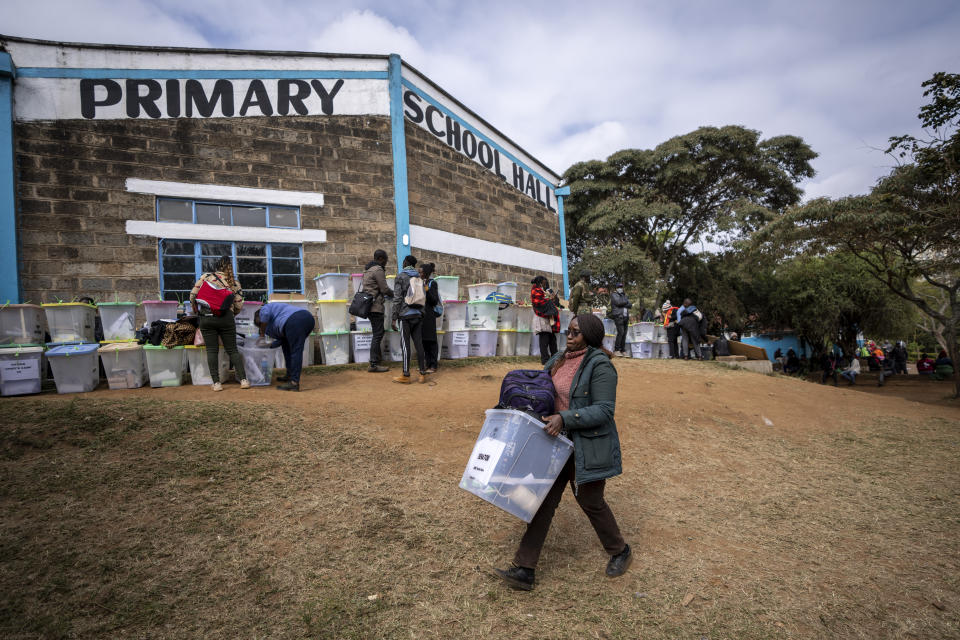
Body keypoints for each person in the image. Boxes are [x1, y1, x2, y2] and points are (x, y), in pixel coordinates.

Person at [494, 314, 631, 591]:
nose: (569, 336)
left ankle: (620, 550)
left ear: (590, 336)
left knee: (591, 502)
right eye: (568, 331)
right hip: (554, 444)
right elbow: (543, 392)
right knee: (542, 500)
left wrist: (565, 418)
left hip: (585, 446)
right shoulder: (558, 359)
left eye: (576, 333)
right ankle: (525, 569)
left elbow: (605, 410)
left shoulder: (600, 365)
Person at [189, 256, 249, 392]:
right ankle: (244, 380)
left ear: (217, 266)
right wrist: (230, 314)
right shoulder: (234, 282)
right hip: (226, 318)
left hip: (207, 317)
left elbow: (193, 295)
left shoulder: (206, 277)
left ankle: (216, 383)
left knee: (212, 350)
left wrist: (195, 307)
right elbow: (239, 304)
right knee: (232, 349)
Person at [254, 301, 315, 391]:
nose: (262, 326)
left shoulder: (264, 309)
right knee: (287, 347)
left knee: (295, 351)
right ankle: (290, 375)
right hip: (307, 319)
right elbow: (282, 340)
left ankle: (294, 382)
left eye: (260, 325)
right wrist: (268, 346)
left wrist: (262, 334)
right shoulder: (277, 320)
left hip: (296, 320)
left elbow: (265, 315)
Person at [392, 255, 427, 384]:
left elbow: (397, 299)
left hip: (405, 316)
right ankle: (422, 374)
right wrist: (421, 313)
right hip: (417, 314)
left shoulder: (400, 276)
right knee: (419, 344)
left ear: (405, 262)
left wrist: (394, 318)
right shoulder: (419, 277)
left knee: (405, 345)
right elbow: (424, 297)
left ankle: (406, 375)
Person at [361, 249, 393, 373]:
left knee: (377, 332)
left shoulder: (368, 270)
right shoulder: (378, 270)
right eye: (385, 260)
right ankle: (374, 364)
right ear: (380, 259)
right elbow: (384, 289)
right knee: (378, 334)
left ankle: (377, 360)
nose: (386, 263)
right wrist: (396, 295)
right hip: (375, 307)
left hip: (369, 306)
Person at [531, 276, 561, 365]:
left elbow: (556, 303)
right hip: (541, 317)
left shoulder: (548, 290)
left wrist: (554, 298)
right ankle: (545, 360)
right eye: (544, 283)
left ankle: (555, 357)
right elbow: (539, 303)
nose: (545, 284)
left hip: (549, 318)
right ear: (540, 283)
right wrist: (549, 300)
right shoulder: (536, 290)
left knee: (552, 339)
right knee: (544, 339)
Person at [419, 262, 440, 374]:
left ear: (426, 273)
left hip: (429, 315)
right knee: (423, 341)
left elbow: (434, 301)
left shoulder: (433, 283)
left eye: (421, 272)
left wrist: (427, 290)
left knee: (431, 341)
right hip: (421, 315)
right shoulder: (419, 282)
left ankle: (433, 365)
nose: (420, 274)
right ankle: (427, 364)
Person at [609, 282, 632, 357]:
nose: (620, 288)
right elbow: (618, 302)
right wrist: (626, 302)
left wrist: (625, 302)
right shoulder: (613, 294)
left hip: (625, 316)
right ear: (616, 288)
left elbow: (630, 305)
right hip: (618, 316)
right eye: (619, 287)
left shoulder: (624, 295)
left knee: (624, 334)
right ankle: (616, 350)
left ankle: (623, 350)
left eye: (621, 287)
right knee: (620, 332)